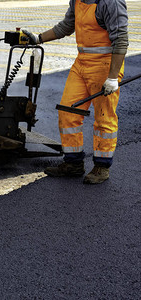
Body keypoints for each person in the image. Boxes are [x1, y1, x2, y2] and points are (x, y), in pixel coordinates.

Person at [23, 0, 129, 184]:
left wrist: (112, 78)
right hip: (81, 64)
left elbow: (120, 39)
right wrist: (38, 38)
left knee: (104, 117)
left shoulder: (110, 2)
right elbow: (66, 26)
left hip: (104, 65)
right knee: (67, 110)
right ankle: (73, 164)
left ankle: (102, 167)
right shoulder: (77, 0)